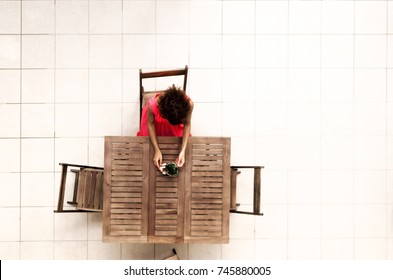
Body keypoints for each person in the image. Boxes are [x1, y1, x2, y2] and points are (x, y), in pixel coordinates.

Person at [137, 85, 193, 168]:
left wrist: (183, 151)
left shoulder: (189, 105)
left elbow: (187, 124)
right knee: (148, 149)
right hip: (155, 122)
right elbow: (150, 124)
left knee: (177, 143)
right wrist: (156, 149)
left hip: (174, 116)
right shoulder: (152, 105)